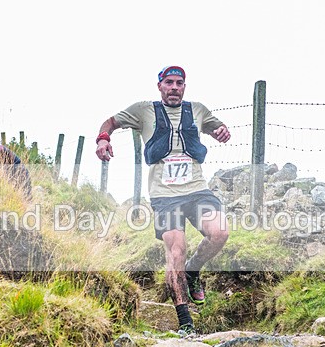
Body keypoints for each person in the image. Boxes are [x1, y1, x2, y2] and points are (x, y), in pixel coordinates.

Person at [96, 66, 231, 333]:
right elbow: (110, 122)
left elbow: (218, 127)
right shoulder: (144, 110)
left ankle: (194, 270)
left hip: (196, 190)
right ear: (160, 86)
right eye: (169, 82)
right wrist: (103, 140)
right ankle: (185, 322)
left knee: (220, 233)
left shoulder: (198, 110)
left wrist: (222, 131)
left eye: (179, 83)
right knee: (176, 249)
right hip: (164, 196)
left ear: (184, 87)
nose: (174, 87)